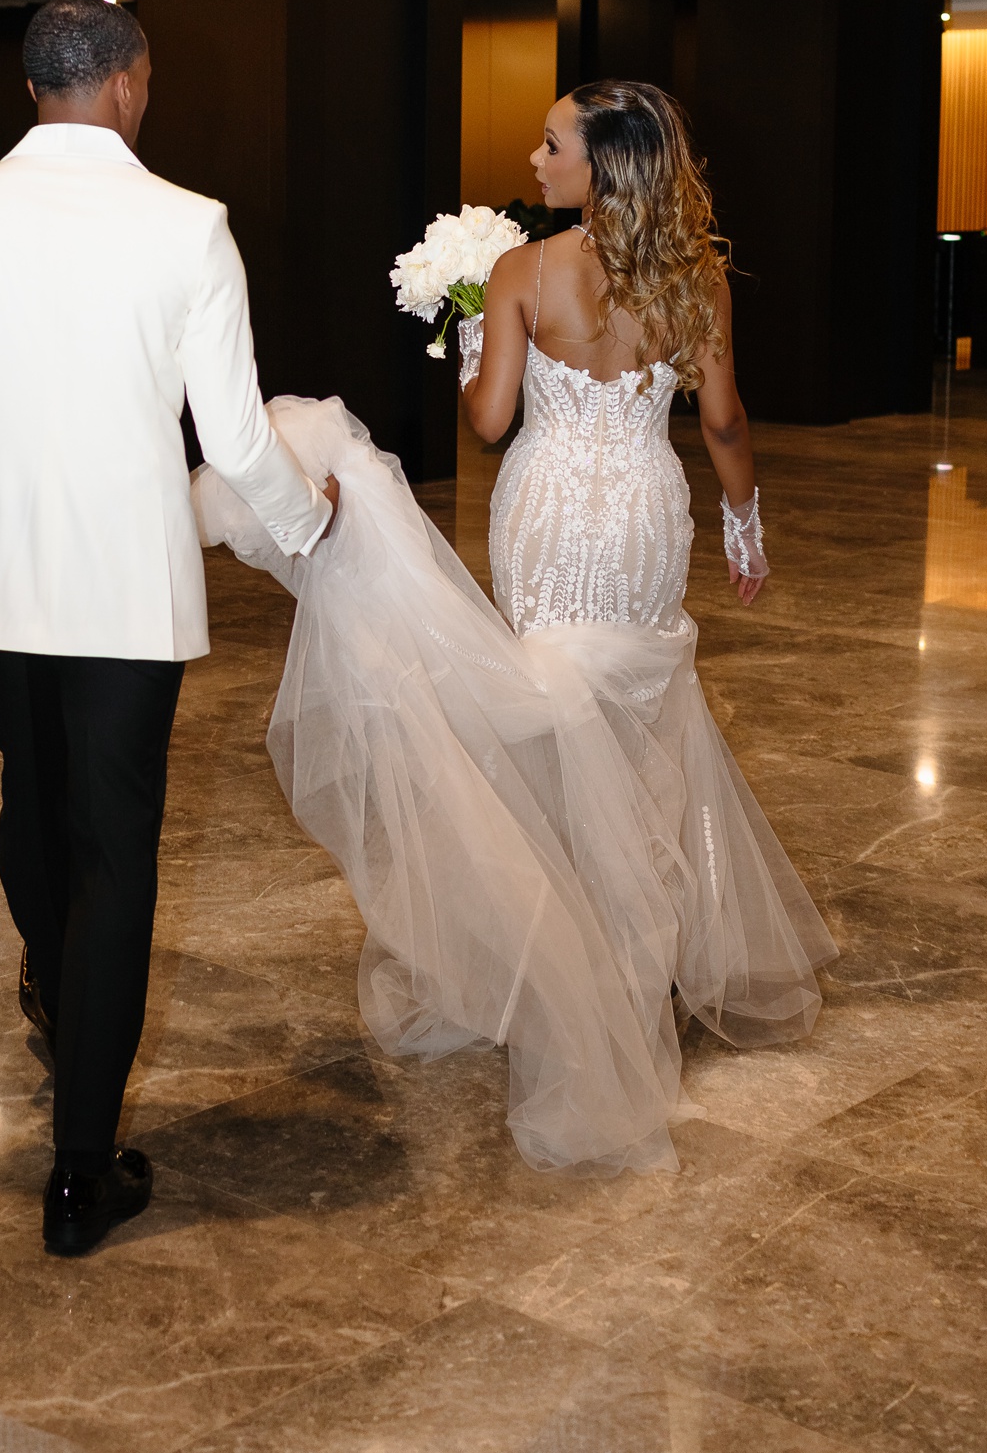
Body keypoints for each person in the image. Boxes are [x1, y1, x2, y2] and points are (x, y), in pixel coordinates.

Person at [193, 80, 834, 1174]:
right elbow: (720, 417)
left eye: (550, 145)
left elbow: (490, 421)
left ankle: (574, 943)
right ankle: (642, 933)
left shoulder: (522, 271)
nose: (534, 160)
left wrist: (463, 347)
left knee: (546, 706)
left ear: (599, 164)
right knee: (636, 701)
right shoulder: (694, 273)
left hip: (544, 511)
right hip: (640, 507)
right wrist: (743, 522)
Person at [0, 0, 336, 1256]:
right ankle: (80, 1170)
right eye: (148, 81)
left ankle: (63, 998)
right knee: (112, 847)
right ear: (120, 84)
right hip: (125, 592)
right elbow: (228, 439)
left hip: (4, 583)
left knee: (35, 803)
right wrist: (305, 521)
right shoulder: (188, 225)